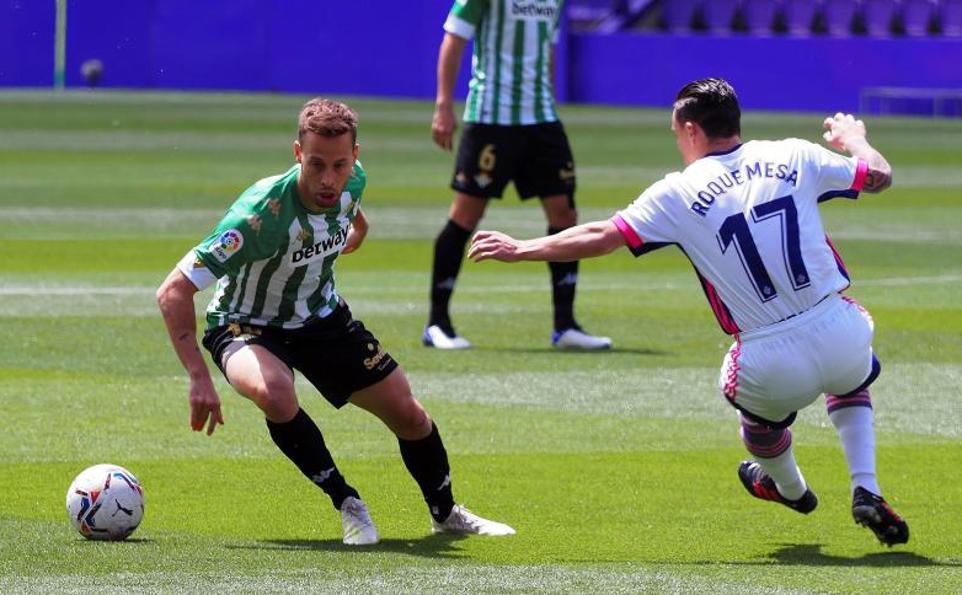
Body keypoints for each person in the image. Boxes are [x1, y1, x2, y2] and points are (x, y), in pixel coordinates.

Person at [468, 78, 909, 546]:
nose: (677, 142)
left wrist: (521, 248)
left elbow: (602, 235)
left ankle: (788, 487)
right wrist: (854, 139)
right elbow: (878, 176)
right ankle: (867, 487)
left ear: (692, 129)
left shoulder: (678, 191)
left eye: (676, 132)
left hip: (769, 359)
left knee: (755, 416)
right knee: (850, 380)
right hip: (838, 330)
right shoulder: (795, 154)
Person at [156, 98, 515, 545]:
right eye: (316, 165)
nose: (329, 179)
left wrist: (358, 230)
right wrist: (198, 379)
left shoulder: (352, 182)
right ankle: (347, 502)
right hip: (245, 323)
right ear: (297, 154)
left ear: (355, 158)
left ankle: (446, 513)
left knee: (409, 413)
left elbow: (348, 206)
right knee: (275, 394)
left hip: (322, 316)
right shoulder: (258, 217)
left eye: (340, 165)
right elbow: (173, 290)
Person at [424, 0, 611, 350]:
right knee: (466, 215)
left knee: (564, 214)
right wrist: (444, 106)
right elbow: (454, 38)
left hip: (541, 119)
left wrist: (550, 102)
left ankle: (565, 325)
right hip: (491, 118)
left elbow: (549, 48)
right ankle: (437, 323)